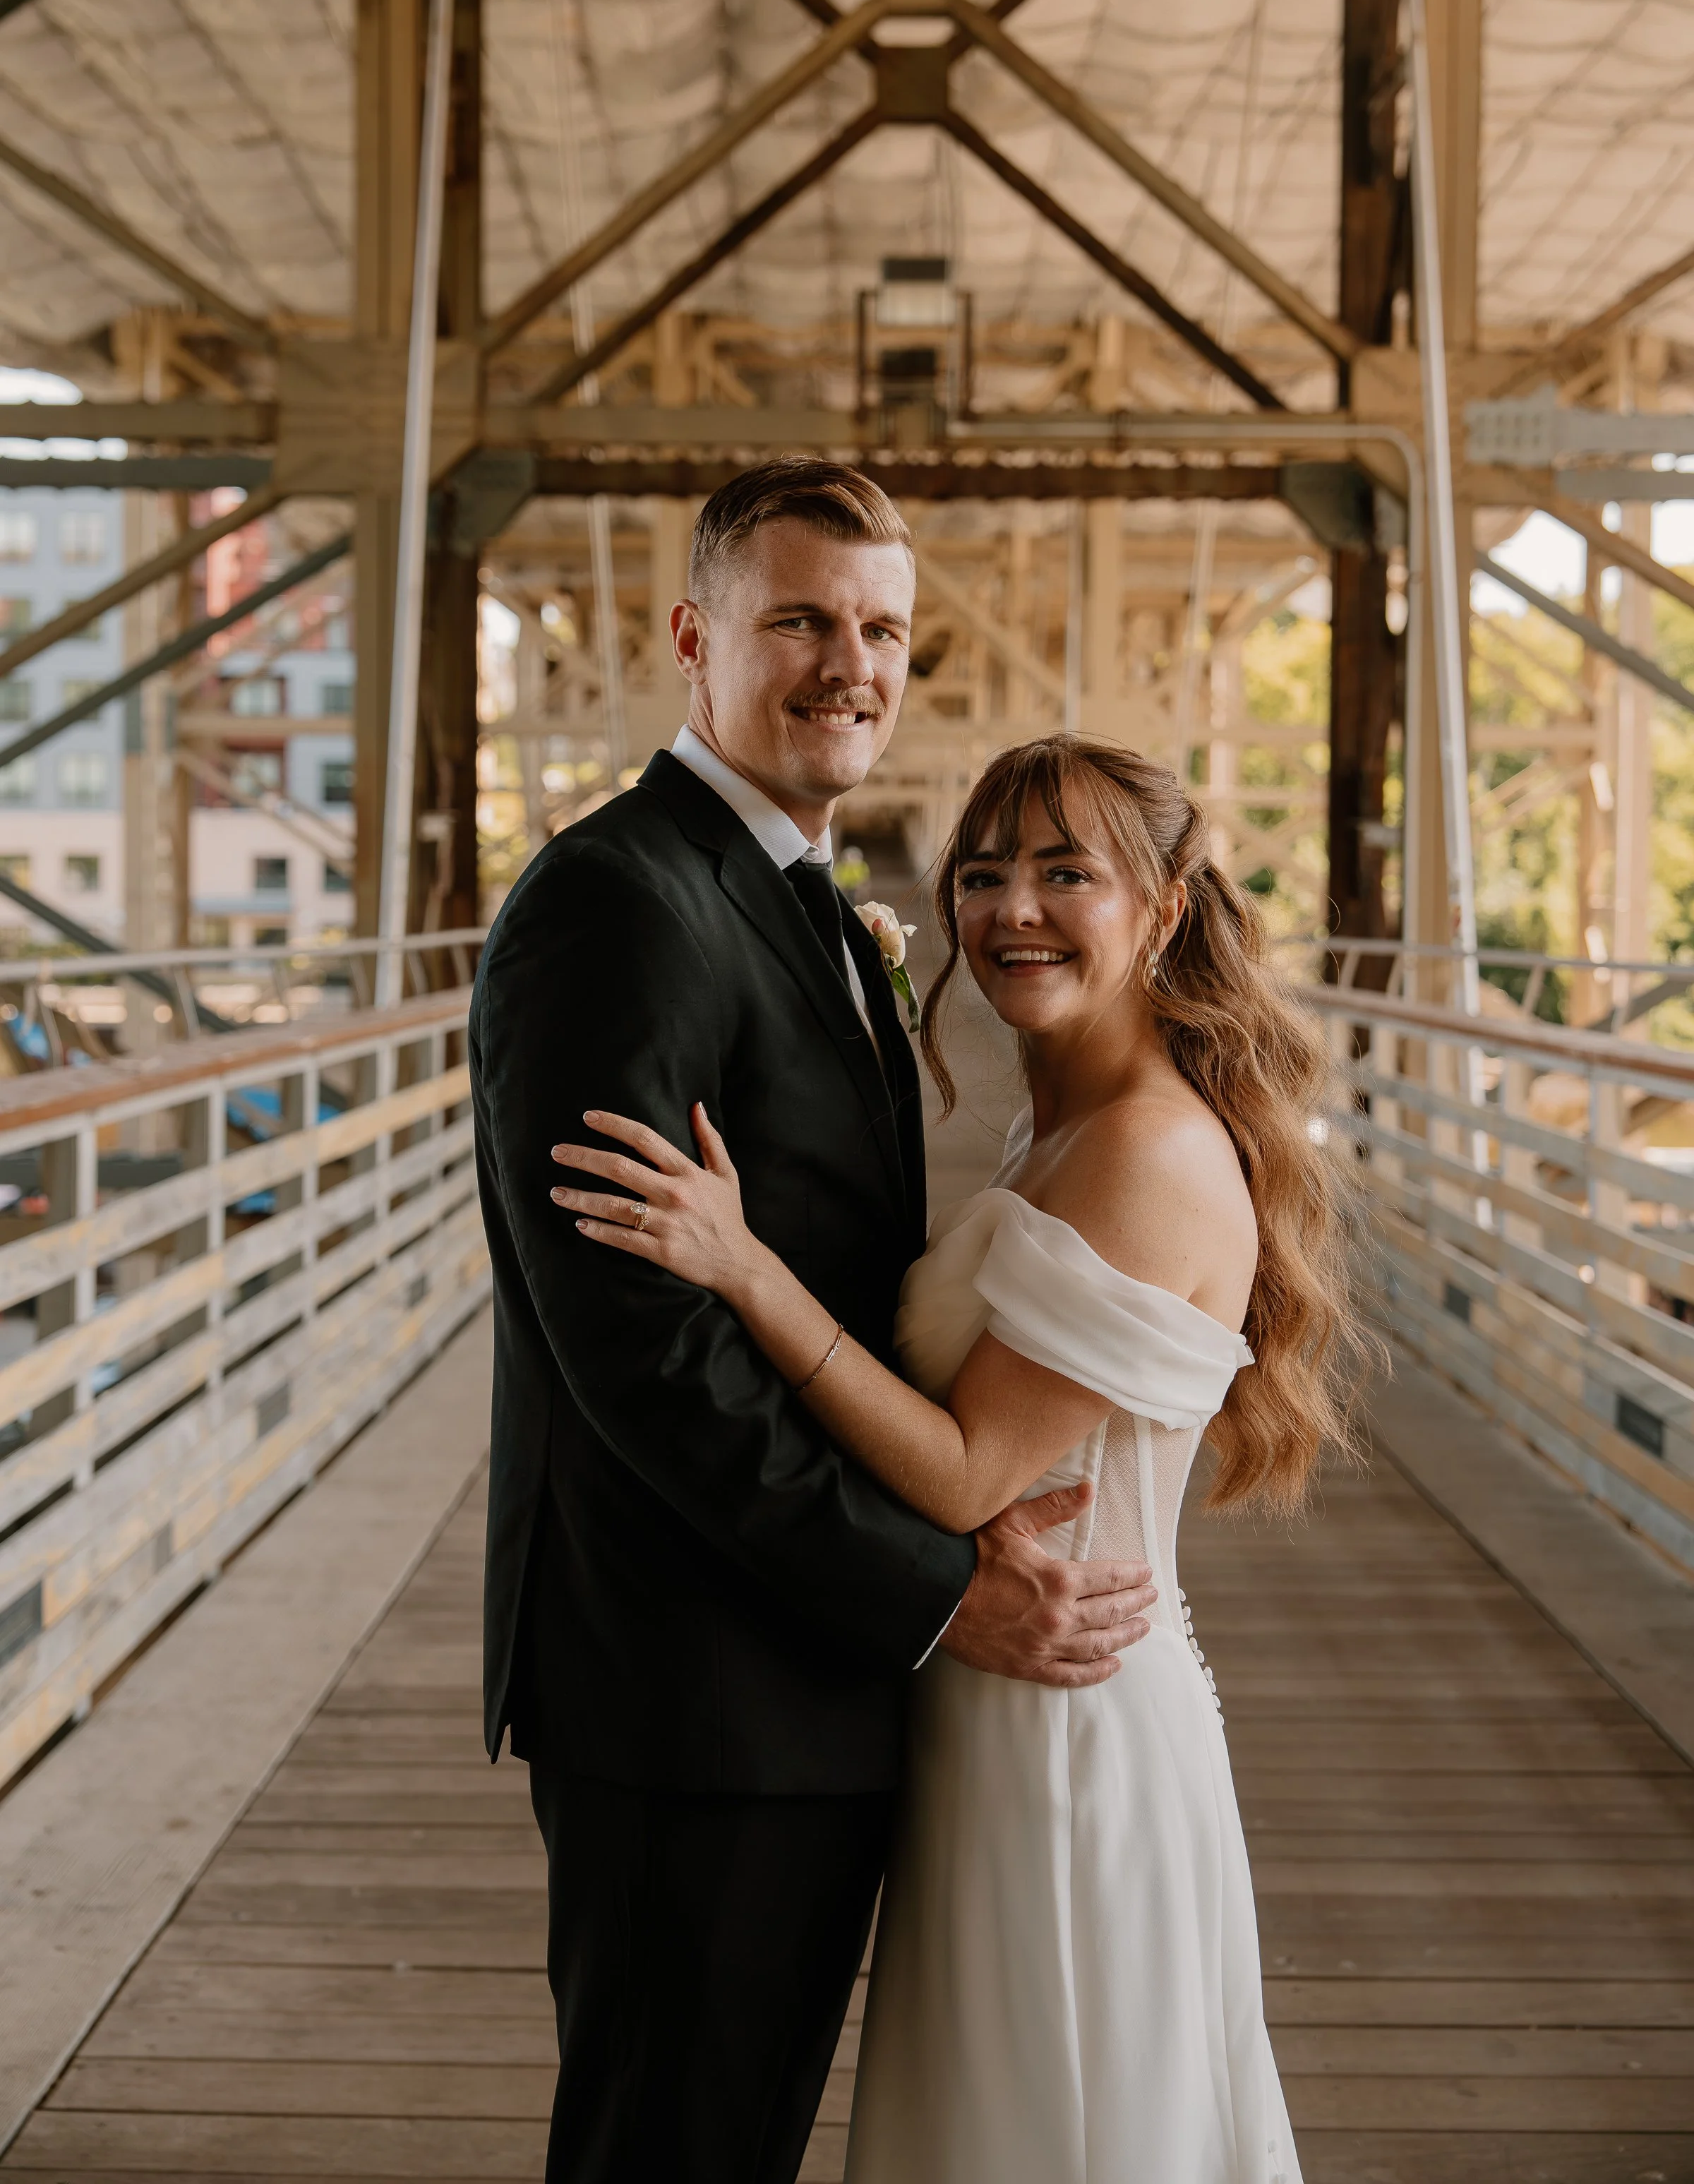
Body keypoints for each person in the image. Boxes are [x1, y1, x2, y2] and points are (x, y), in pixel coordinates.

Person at [551, 732, 1368, 2184]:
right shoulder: (1057, 1131)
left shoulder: (1145, 1153)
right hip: (987, 1719)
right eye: (984, 875)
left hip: (1068, 1732)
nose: (1013, 911)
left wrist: (743, 1268)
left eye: (1070, 875)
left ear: (1166, 909)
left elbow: (968, 1473)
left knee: (1062, 2125)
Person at [470, 464, 1158, 2184]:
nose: (848, 663)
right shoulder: (618, 905)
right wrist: (937, 1592)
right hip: (690, 1686)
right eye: (799, 621)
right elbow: (644, 1357)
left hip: (790, 1674)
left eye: (881, 630)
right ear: (695, 641)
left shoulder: (799, 900)